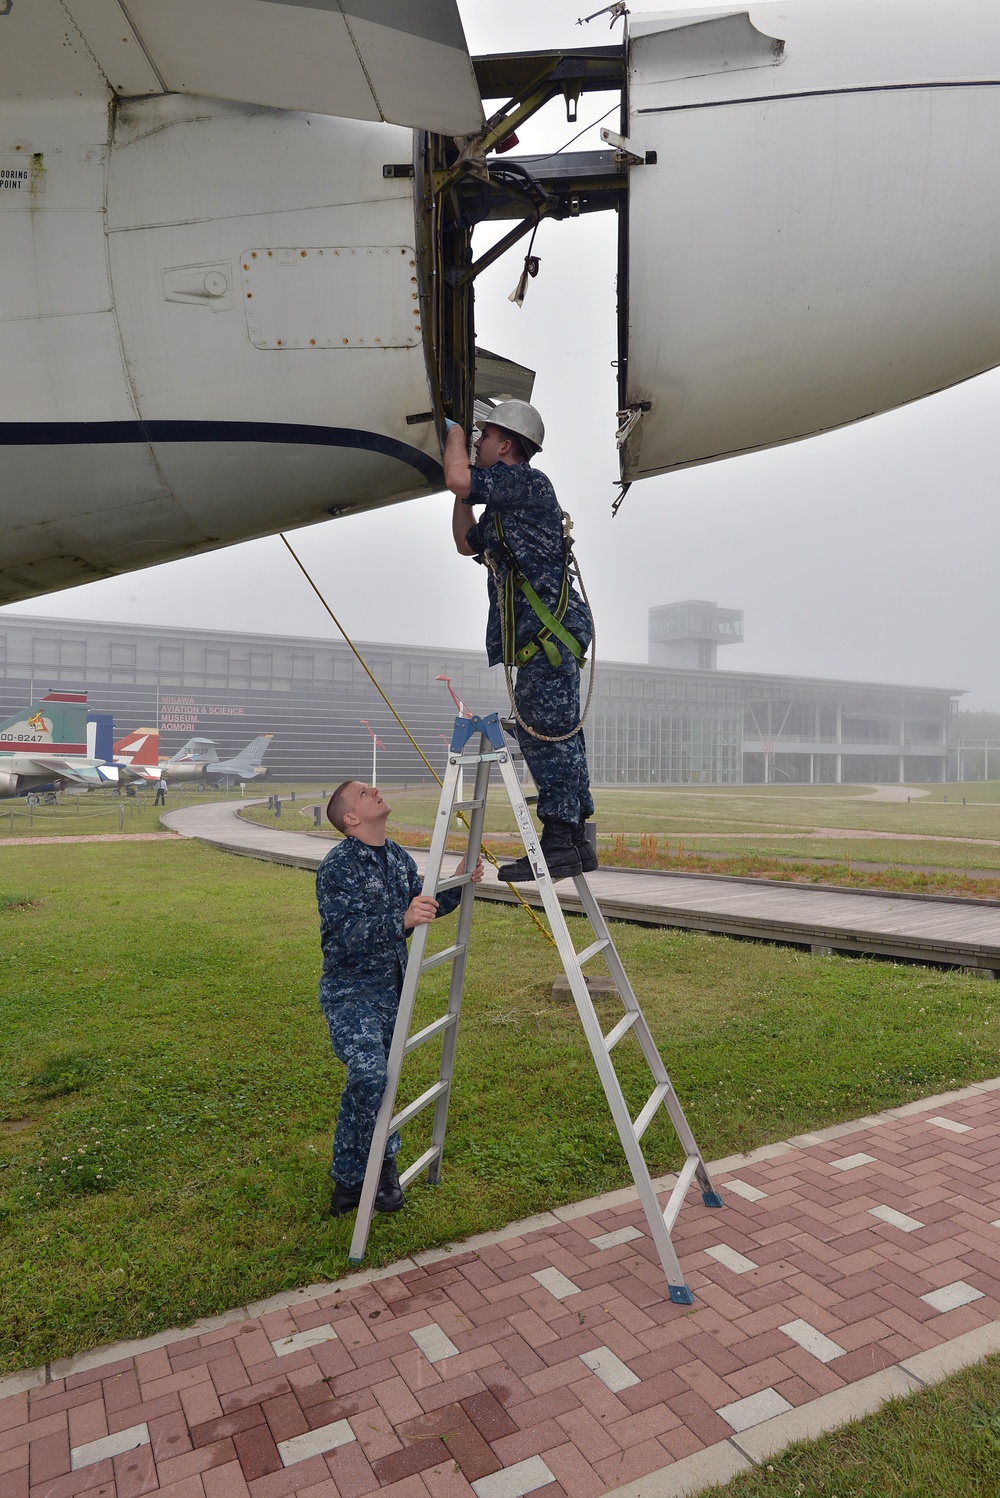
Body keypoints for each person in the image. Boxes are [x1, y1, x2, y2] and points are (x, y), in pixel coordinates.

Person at [443, 401, 597, 881]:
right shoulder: (506, 506)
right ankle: (574, 841)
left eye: (485, 436)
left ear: (506, 444)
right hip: (543, 638)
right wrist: (466, 488)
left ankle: (559, 842)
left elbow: (459, 479)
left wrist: (454, 433)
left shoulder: (528, 483)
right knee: (558, 734)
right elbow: (465, 541)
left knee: (546, 736)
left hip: (547, 636)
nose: (478, 443)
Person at [317, 779, 483, 1217]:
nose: (374, 790)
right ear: (351, 818)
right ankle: (353, 1178)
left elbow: (423, 904)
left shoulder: (396, 856)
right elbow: (342, 936)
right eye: (363, 793)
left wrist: (459, 879)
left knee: (383, 1081)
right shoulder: (338, 866)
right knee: (369, 1074)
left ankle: (380, 1169)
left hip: (394, 991)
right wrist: (401, 919)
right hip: (351, 991)